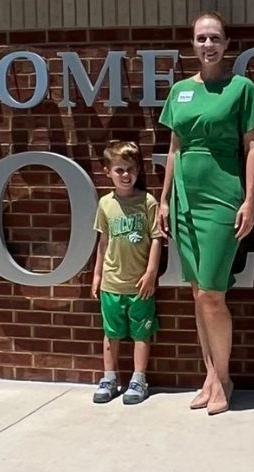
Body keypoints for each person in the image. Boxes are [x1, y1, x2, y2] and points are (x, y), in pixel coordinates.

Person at [158, 11, 254, 416]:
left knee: (213, 294)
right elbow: (174, 148)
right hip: (184, 199)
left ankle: (224, 378)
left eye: (215, 38)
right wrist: (164, 199)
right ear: (192, 44)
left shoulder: (241, 88)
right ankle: (209, 376)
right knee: (197, 293)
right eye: (202, 38)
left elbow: (252, 147)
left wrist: (249, 200)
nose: (208, 45)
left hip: (222, 197)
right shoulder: (180, 90)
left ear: (226, 44)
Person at [90, 140, 164, 405]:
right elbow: (103, 241)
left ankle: (138, 379)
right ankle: (109, 377)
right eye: (119, 169)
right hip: (112, 282)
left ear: (138, 170)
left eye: (130, 169)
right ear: (108, 172)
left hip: (140, 284)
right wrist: (97, 275)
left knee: (141, 333)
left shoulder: (148, 202)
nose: (125, 174)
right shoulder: (105, 204)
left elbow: (157, 238)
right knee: (112, 333)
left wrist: (151, 273)